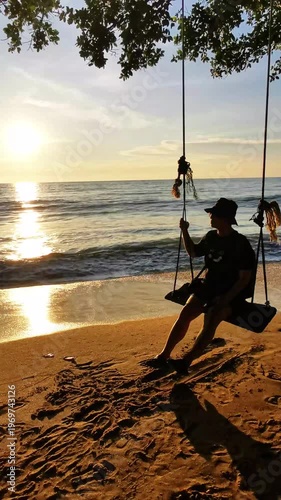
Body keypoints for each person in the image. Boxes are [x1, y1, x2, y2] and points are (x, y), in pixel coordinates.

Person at [150, 197, 256, 374]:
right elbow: (193, 252)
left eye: (213, 214)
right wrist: (185, 231)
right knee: (186, 313)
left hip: (231, 293)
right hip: (209, 286)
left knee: (212, 319)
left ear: (224, 218)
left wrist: (225, 300)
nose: (210, 217)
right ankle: (164, 356)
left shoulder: (240, 244)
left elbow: (244, 279)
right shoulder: (211, 237)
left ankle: (186, 361)